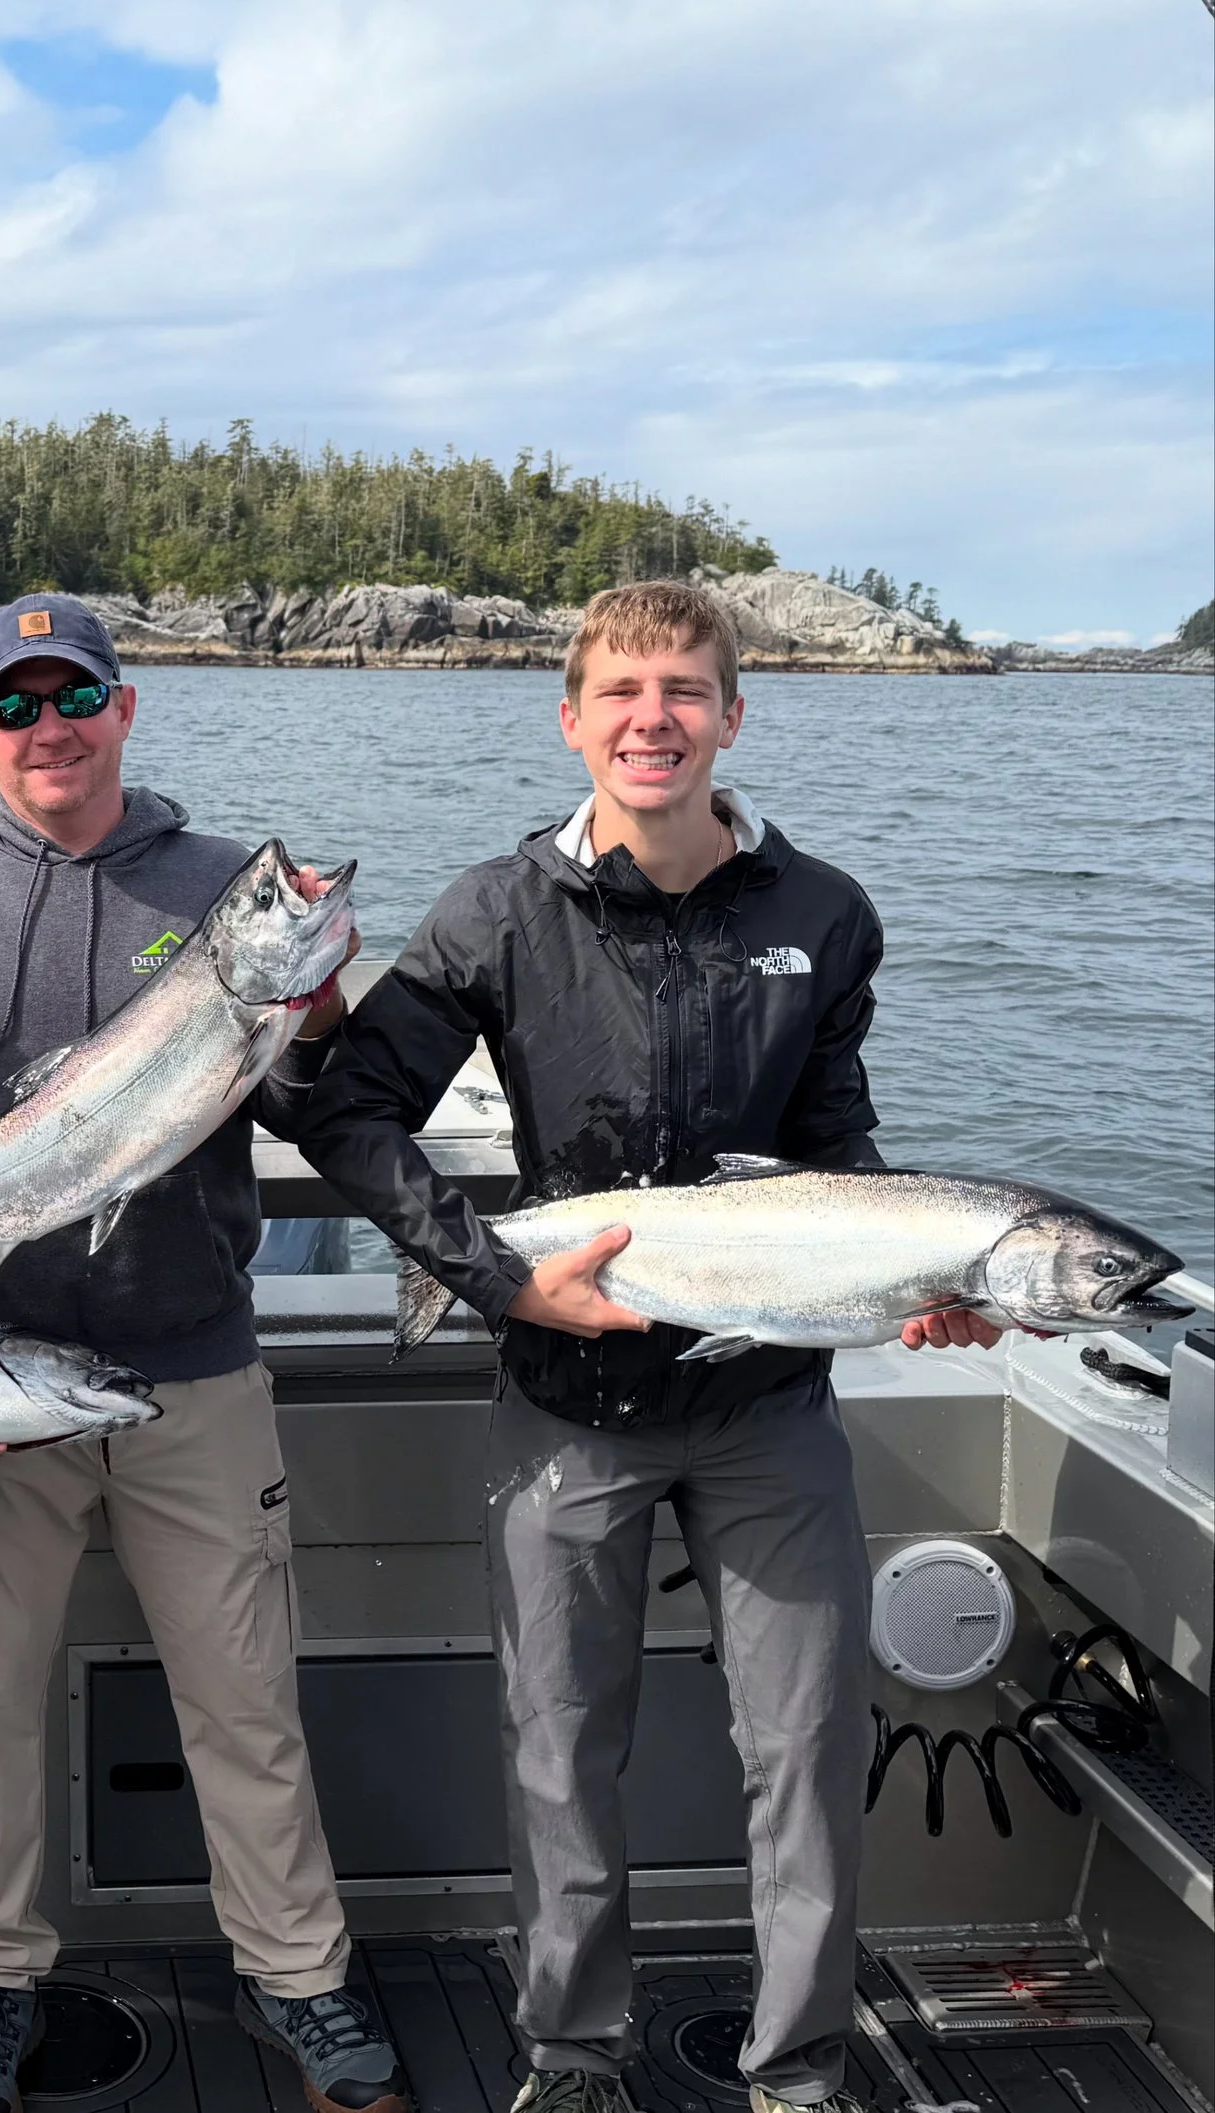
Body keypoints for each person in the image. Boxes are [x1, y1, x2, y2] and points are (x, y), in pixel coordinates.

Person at [299, 581, 1001, 2113]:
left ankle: (799, 2072)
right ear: (573, 720)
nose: (652, 719)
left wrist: (915, 1276)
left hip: (770, 1403)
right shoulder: (496, 910)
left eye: (684, 690)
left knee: (809, 1751)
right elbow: (347, 1113)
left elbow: (839, 1145)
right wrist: (496, 1280)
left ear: (733, 716)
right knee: (558, 1751)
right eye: (621, 692)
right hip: (568, 1398)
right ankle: (570, 2057)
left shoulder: (824, 914)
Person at [0, 594, 409, 2113]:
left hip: (194, 1366)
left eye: (75, 697)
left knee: (246, 1699)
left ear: (125, 709)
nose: (50, 729)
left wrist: (313, 1015)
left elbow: (308, 1104)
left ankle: (301, 1974)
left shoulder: (221, 887)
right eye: (17, 705)